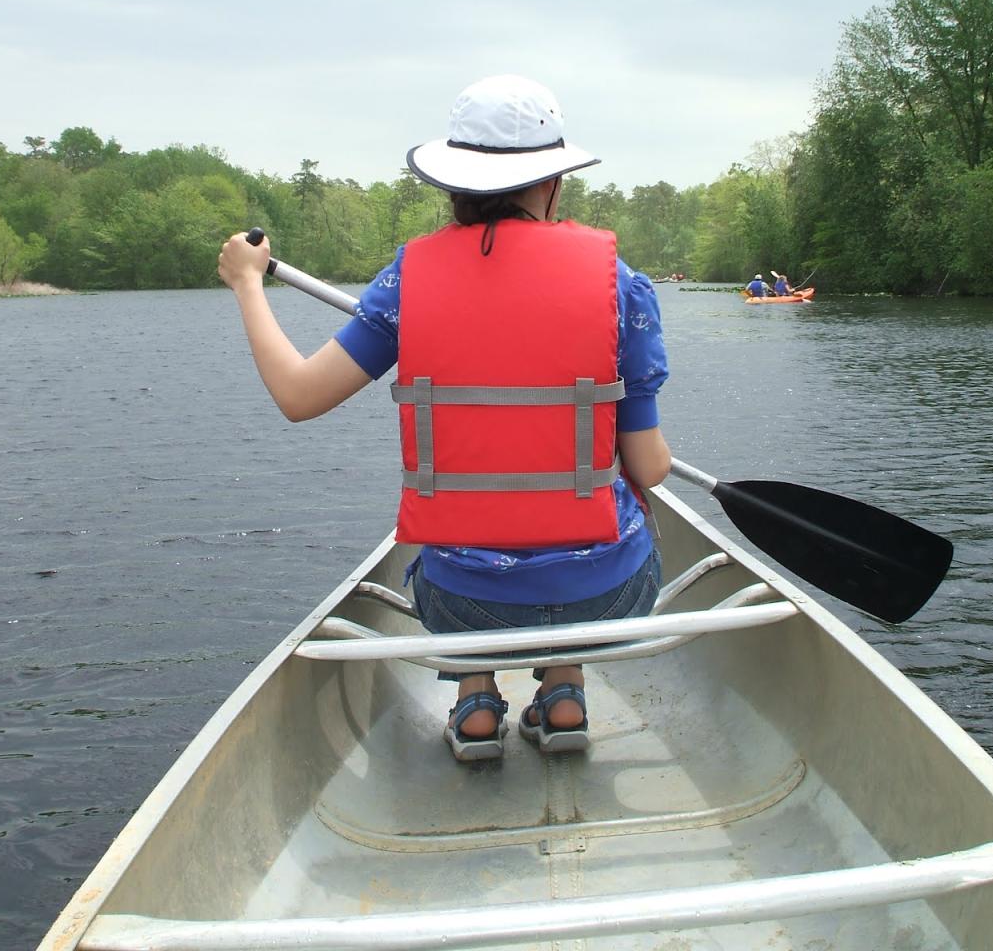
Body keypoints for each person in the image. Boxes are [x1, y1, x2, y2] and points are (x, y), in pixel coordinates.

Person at [217, 74, 671, 762]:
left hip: (467, 606)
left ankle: (475, 698)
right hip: (607, 600)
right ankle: (566, 688)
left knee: (456, 555)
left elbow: (299, 395)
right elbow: (652, 468)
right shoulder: (622, 285)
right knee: (614, 520)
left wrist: (249, 284)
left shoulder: (410, 281)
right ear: (551, 183)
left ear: (452, 184)